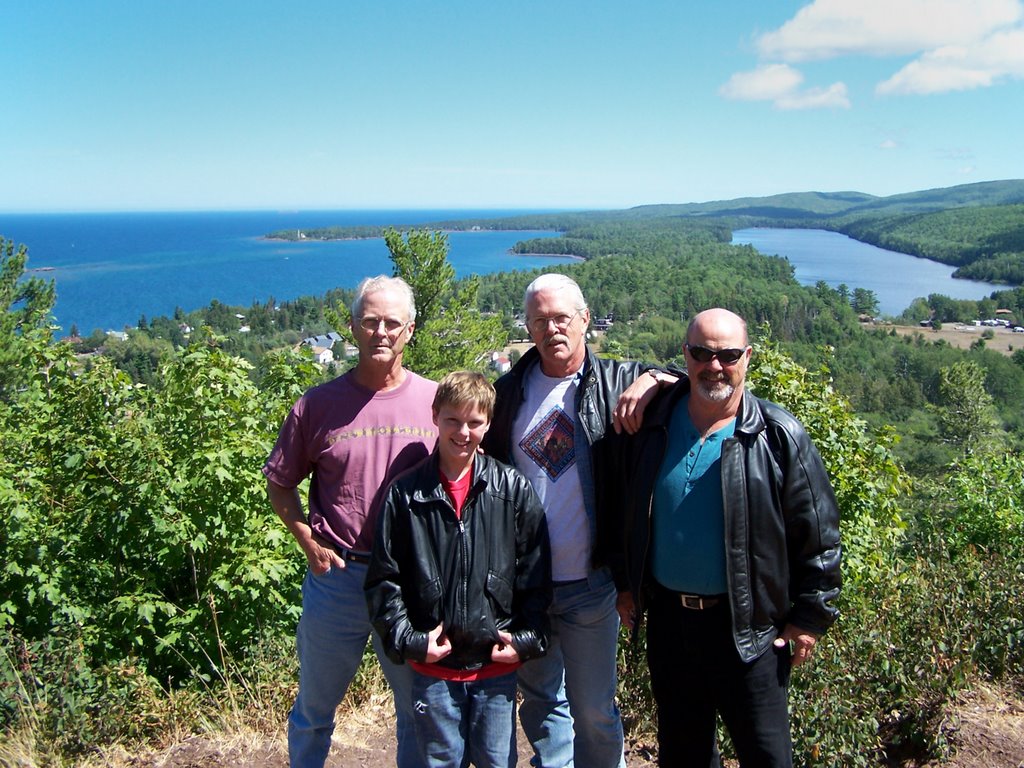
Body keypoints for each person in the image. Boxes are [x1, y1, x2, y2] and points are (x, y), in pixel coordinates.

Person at [616, 308, 843, 768]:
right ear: (685, 355)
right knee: (684, 755)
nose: (714, 365)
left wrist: (810, 617)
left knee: (766, 755)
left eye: (728, 354)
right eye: (701, 353)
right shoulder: (654, 421)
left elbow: (818, 534)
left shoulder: (778, 436)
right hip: (670, 626)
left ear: (747, 358)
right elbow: (626, 507)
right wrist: (627, 581)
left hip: (750, 632)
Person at [481, 272, 671, 768]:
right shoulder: (506, 396)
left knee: (593, 711)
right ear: (528, 325)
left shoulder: (617, 383)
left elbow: (693, 376)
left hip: (591, 584)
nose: (552, 329)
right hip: (529, 588)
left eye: (562, 317)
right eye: (540, 320)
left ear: (585, 319)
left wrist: (652, 378)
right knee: (543, 705)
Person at [263, 275, 437, 768]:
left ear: (410, 330)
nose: (381, 332)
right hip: (337, 579)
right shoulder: (315, 406)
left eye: (392, 323)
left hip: (409, 582)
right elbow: (280, 483)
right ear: (352, 328)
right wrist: (305, 541)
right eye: (370, 321)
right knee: (314, 709)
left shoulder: (436, 403)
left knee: (417, 711)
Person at [365, 371, 552, 768]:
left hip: (494, 664)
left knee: (495, 762)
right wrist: (413, 642)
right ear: (435, 416)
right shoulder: (405, 494)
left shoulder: (512, 490)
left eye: (474, 422)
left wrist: (525, 638)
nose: (462, 432)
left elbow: (535, 575)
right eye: (453, 420)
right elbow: (384, 580)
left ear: (488, 423)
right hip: (435, 667)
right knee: (439, 762)